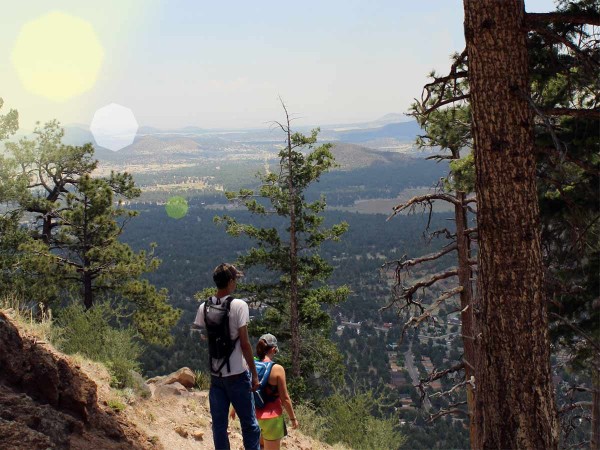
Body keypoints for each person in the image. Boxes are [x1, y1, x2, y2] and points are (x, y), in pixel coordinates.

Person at [194, 263, 261, 450]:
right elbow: (246, 344)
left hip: (216, 377)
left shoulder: (204, 306)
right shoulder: (239, 305)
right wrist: (254, 375)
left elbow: (202, 334)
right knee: (250, 426)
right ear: (230, 281)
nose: (236, 282)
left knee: (219, 427)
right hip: (238, 375)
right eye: (235, 279)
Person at [239, 334, 299, 450]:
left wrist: (234, 409)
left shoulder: (250, 364)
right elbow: (285, 398)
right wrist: (293, 418)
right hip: (272, 418)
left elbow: (244, 389)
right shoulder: (277, 369)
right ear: (273, 349)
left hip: (253, 416)